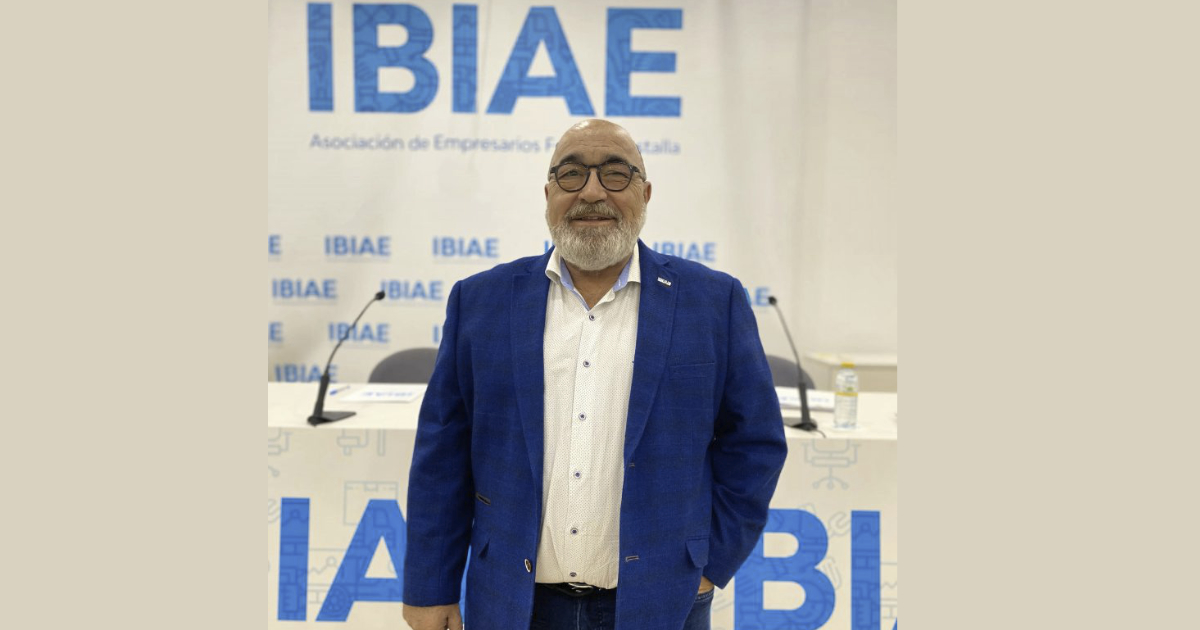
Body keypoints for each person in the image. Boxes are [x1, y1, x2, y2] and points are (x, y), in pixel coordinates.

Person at [402, 119, 787, 630]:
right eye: (571, 174)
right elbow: (442, 456)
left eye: (615, 174)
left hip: (664, 600)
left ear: (645, 194)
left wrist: (710, 564)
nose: (591, 192)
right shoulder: (481, 301)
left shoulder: (714, 302)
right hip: (512, 602)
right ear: (547, 194)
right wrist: (430, 587)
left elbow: (756, 443)